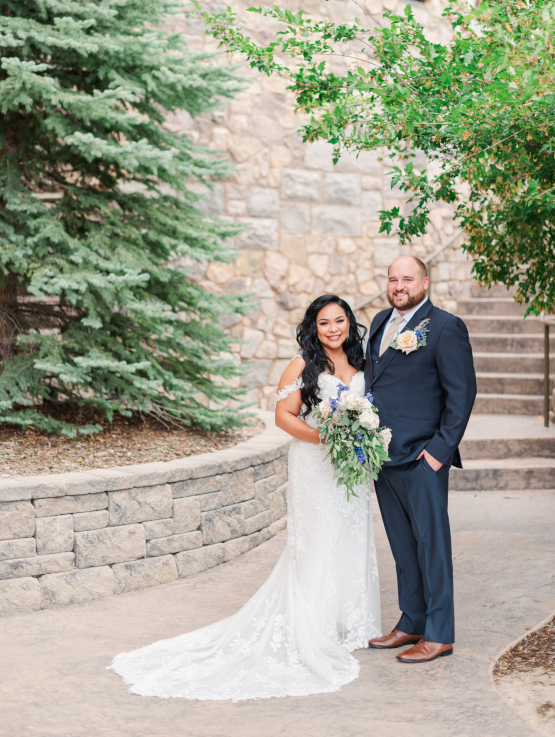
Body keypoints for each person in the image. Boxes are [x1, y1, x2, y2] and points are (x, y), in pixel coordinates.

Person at [110, 295, 380, 701]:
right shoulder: (303, 365)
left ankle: (349, 621)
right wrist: (325, 436)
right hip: (314, 464)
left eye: (339, 321)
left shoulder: (361, 365)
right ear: (313, 328)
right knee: (320, 539)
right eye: (324, 323)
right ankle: (316, 626)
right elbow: (283, 417)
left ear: (349, 323)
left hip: (350, 470)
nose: (333, 329)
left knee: (349, 534)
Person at [366, 256, 476, 663]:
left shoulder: (446, 327)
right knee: (402, 547)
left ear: (425, 282)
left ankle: (439, 633)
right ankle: (411, 621)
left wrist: (438, 453)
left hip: (421, 458)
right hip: (382, 457)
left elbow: (461, 395)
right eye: (393, 279)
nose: (399, 286)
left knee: (432, 546)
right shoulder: (379, 322)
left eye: (407, 278)